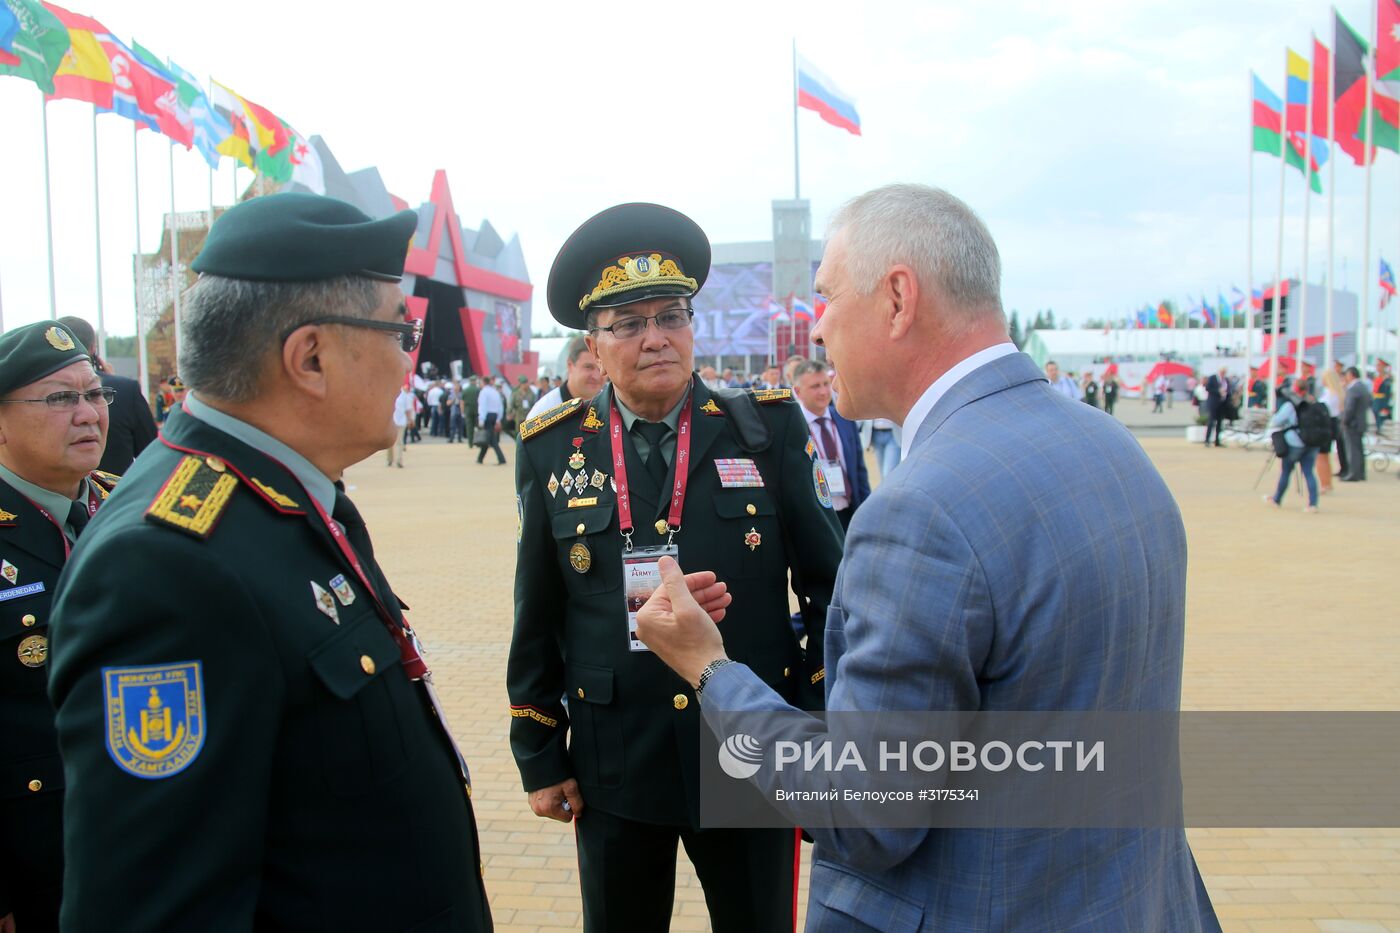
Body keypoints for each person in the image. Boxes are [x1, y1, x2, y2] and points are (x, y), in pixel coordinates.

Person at [634, 183, 1219, 931]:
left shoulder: (921, 512)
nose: (817, 330)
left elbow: (863, 812)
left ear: (898, 298)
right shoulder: (1110, 443)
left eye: (827, 297)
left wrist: (708, 669)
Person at [46, 193, 492, 930]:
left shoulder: (285, 494)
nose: (407, 358)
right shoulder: (166, 565)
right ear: (311, 357)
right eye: (399, 330)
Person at [508, 202, 843, 933]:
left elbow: (831, 589)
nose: (655, 336)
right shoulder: (552, 449)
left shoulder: (768, 430)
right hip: (616, 755)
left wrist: (817, 718)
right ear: (593, 343)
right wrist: (538, 746)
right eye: (629, 323)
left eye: (672, 314)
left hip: (749, 749)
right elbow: (537, 610)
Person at [0, 320, 118, 933]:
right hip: (37, 858)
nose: (87, 414)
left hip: (142, 842)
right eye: (59, 398)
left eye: (94, 394)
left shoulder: (129, 508)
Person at [57, 316, 158, 475]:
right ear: (92, 348)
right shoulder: (125, 390)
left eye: (96, 396)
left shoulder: (42, 394)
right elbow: (152, 454)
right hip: (120, 496)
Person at [791, 359, 870, 528]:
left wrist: (865, 512)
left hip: (850, 512)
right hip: (814, 520)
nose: (823, 391)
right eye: (815, 386)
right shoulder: (792, 428)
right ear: (797, 391)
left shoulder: (845, 418)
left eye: (826, 384)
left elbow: (859, 470)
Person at [1264, 381, 1319, 511]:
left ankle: (1277, 498)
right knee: (1309, 472)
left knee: (1286, 471)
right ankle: (1313, 503)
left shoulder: (1290, 405)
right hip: (1312, 442)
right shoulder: (1314, 403)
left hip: (1294, 442)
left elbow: (1275, 421)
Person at [526, 335, 606, 420]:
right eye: (588, 367)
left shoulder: (612, 408)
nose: (597, 376)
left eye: (601, 367)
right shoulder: (544, 413)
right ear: (570, 365)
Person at [1340, 366, 1370, 481]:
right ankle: (1360, 473)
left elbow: (1349, 408)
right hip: (1360, 422)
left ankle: (1353, 473)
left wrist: (1345, 421)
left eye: (1347, 375)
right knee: (1359, 449)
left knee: (1352, 450)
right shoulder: (1363, 387)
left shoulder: (1353, 389)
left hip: (1352, 423)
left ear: (1351, 375)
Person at [476, 376, 506, 465]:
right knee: (488, 437)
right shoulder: (495, 392)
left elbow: (483, 406)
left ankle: (501, 458)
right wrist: (498, 419)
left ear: (483, 382)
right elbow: (500, 406)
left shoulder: (483, 392)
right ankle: (480, 458)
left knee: (491, 438)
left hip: (487, 416)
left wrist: (481, 419)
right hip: (495, 415)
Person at [389, 383, 416, 467]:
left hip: (401, 422)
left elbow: (408, 409)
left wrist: (410, 419)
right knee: (389, 443)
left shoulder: (404, 396)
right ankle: (390, 459)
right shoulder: (389, 393)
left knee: (399, 442)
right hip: (390, 422)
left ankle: (399, 460)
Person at [1204, 367, 1230, 447]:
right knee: (1211, 421)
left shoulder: (1226, 380)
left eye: (1224, 372)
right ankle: (1207, 440)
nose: (1223, 373)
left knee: (1220, 422)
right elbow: (1208, 388)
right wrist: (1218, 391)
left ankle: (1217, 441)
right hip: (1213, 402)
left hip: (1222, 403)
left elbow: (1229, 389)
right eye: (1222, 372)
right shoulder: (1213, 378)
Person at [1372, 359, 1392, 435]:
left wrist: (1385, 407)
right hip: (1376, 403)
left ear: (1383, 367)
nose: (1377, 367)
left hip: (1382, 404)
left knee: (1382, 425)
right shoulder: (1377, 378)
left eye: (1379, 365)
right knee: (1377, 424)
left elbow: (1387, 394)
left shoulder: (1386, 379)